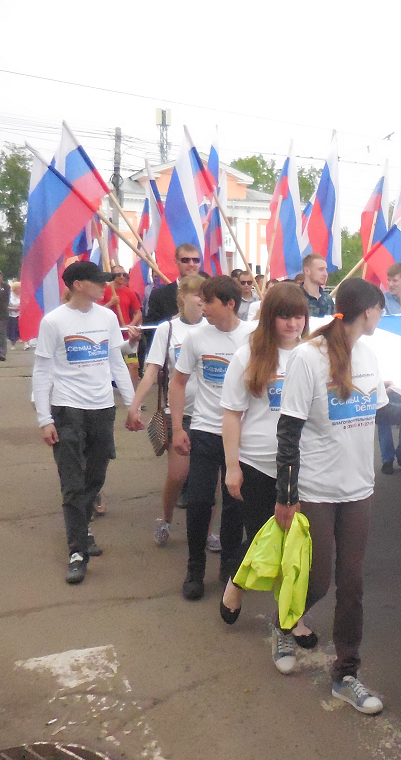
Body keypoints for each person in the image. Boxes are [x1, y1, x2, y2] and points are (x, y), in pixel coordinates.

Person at [274, 278, 388, 714]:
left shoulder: (369, 354)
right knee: (319, 579)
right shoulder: (308, 357)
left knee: (352, 583)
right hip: (317, 490)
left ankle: (346, 673)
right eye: (380, 310)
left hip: (359, 488)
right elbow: (288, 431)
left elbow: (378, 410)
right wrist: (286, 495)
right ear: (369, 311)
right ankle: (285, 624)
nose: (381, 317)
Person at [218, 282, 313, 647]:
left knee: (297, 546)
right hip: (256, 463)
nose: (293, 323)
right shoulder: (248, 355)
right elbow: (231, 414)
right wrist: (232, 467)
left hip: (304, 467)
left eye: (299, 315)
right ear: (270, 317)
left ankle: (292, 618)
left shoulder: (313, 354)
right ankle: (236, 582)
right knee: (264, 539)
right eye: (284, 316)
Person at [31, 261, 135, 584]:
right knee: (72, 482)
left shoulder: (107, 317)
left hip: (102, 409)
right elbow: (42, 371)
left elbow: (116, 361)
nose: (106, 285)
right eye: (99, 281)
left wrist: (132, 404)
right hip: (67, 411)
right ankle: (77, 551)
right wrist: (45, 419)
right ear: (78, 284)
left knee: (96, 476)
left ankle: (82, 527)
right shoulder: (54, 321)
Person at [169, 276, 256, 601]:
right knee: (199, 501)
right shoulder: (196, 338)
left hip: (242, 435)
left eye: (208, 301)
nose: (202, 306)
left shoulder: (253, 336)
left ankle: (230, 565)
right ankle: (195, 568)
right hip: (204, 430)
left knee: (235, 502)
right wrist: (178, 428)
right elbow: (178, 382)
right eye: (201, 300)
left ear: (230, 304)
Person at [126, 275, 206, 546]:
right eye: (198, 295)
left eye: (206, 296)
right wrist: (135, 405)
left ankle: (208, 531)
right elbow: (151, 371)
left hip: (211, 414)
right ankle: (167, 518)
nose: (203, 301)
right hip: (179, 413)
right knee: (178, 475)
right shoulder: (167, 330)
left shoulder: (213, 328)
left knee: (209, 481)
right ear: (182, 297)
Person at [102, 266, 143, 389]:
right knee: (108, 366)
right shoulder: (104, 291)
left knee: (133, 364)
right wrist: (110, 303)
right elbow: (97, 311)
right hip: (109, 335)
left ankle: (133, 392)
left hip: (126, 335)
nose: (122, 277)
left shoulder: (129, 292)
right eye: (118, 274)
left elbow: (138, 312)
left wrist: (131, 325)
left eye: (124, 274)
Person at [145, 244, 202, 326]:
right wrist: (171, 321)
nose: (191, 264)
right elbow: (149, 327)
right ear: (176, 262)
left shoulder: (210, 291)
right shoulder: (159, 295)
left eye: (196, 260)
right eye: (185, 260)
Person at [7, 279, 20, 349]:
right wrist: (13, 308)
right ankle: (13, 344)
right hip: (12, 315)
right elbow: (5, 306)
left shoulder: (23, 295)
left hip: (21, 315)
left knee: (22, 329)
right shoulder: (9, 296)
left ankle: (26, 343)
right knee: (13, 330)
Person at [0, 270, 8, 361]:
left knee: (2, 334)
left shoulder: (6, 287)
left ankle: (2, 353)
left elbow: (4, 298)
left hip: (2, 314)